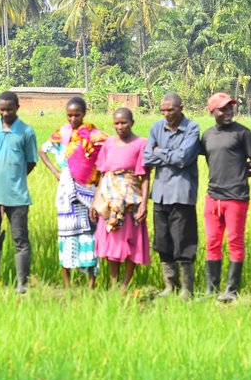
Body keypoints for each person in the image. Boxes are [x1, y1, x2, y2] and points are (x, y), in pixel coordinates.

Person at [40, 96, 106, 288]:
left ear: (84, 114)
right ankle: (67, 284)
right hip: (66, 191)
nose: (73, 119)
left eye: (77, 115)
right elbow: (43, 150)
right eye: (69, 115)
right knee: (67, 235)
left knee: (89, 235)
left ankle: (91, 283)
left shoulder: (93, 135)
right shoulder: (62, 133)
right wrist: (55, 172)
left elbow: (105, 156)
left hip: (88, 191)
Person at [200, 92, 251, 302]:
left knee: (235, 241)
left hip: (236, 197)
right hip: (213, 197)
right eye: (223, 109)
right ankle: (211, 290)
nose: (228, 112)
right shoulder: (207, 136)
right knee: (212, 242)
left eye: (231, 108)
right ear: (212, 111)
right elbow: (210, 160)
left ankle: (231, 291)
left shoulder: (243, 133)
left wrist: (245, 171)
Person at [0, 91, 38, 293]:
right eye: (2, 110)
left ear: (17, 108)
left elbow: (30, 162)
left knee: (20, 239)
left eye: (9, 109)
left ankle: (22, 283)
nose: (5, 113)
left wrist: (15, 177)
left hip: (17, 196)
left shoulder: (26, 132)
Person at [143, 92, 200, 299]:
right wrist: (167, 155)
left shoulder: (192, 128)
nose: (167, 114)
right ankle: (170, 286)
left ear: (181, 108)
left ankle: (187, 288)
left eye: (171, 110)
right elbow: (147, 157)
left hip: (182, 193)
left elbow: (184, 158)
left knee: (184, 241)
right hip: (159, 194)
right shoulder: (156, 127)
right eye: (163, 110)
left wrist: (160, 152)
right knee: (162, 241)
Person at [92, 108, 150, 291]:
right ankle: (113, 284)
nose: (120, 126)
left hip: (131, 199)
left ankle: (125, 286)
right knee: (112, 242)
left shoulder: (141, 143)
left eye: (124, 122)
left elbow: (145, 176)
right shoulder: (108, 143)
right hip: (109, 201)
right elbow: (102, 174)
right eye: (116, 123)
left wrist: (144, 204)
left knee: (131, 241)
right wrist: (96, 202)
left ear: (132, 122)